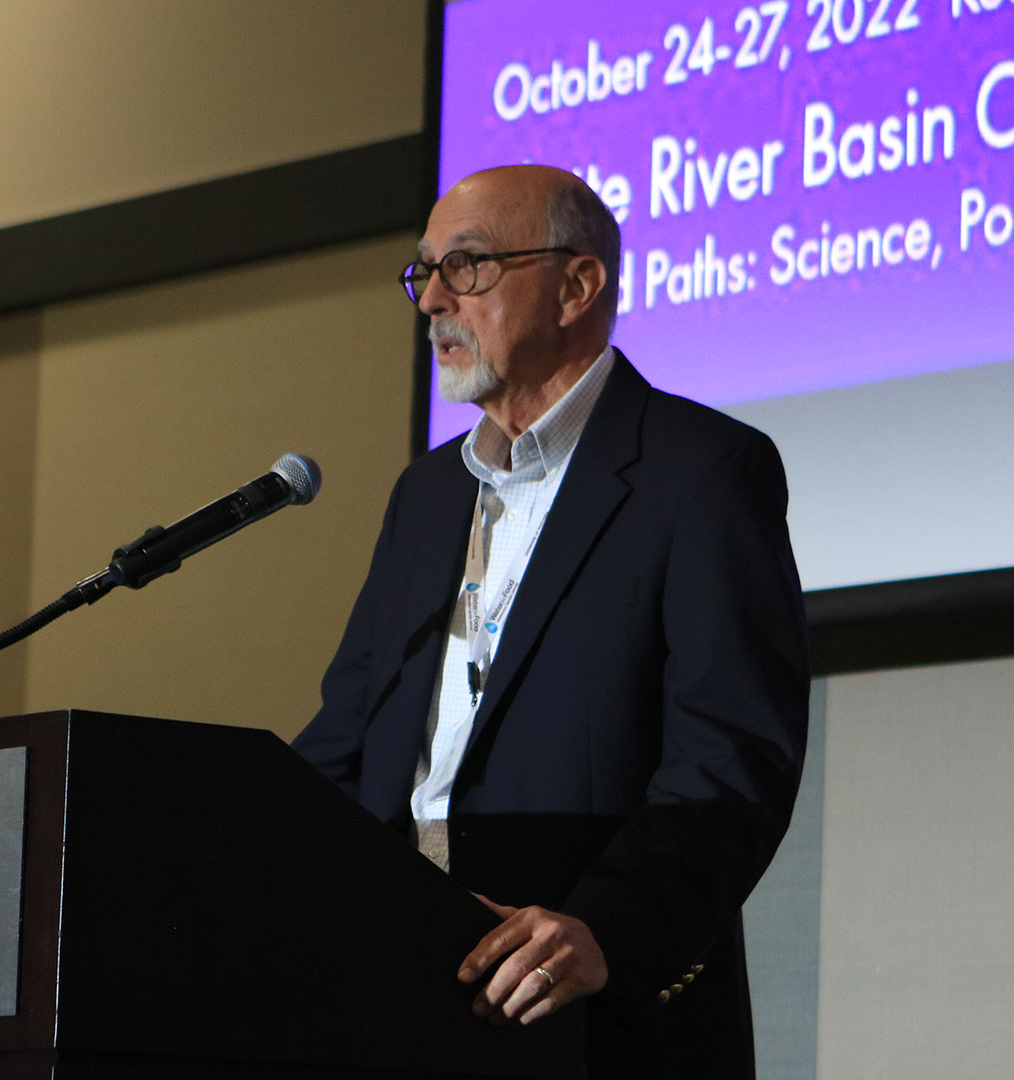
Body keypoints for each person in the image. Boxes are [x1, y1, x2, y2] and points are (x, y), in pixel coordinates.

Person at [292, 165, 809, 1077]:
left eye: (470, 267)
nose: (434, 301)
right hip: (402, 998)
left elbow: (733, 758)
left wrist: (605, 927)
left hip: (591, 1020)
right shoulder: (425, 496)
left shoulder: (700, 471)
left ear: (578, 286)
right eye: (425, 272)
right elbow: (345, 747)